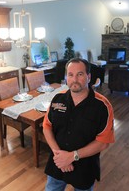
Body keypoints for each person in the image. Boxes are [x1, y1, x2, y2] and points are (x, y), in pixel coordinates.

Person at [43, 58, 115, 191]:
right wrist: (59, 155)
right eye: (70, 75)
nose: (74, 79)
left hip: (85, 168)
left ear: (89, 77)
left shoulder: (102, 106)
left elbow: (103, 142)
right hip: (57, 163)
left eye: (80, 74)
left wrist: (71, 156)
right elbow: (47, 126)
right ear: (66, 77)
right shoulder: (57, 99)